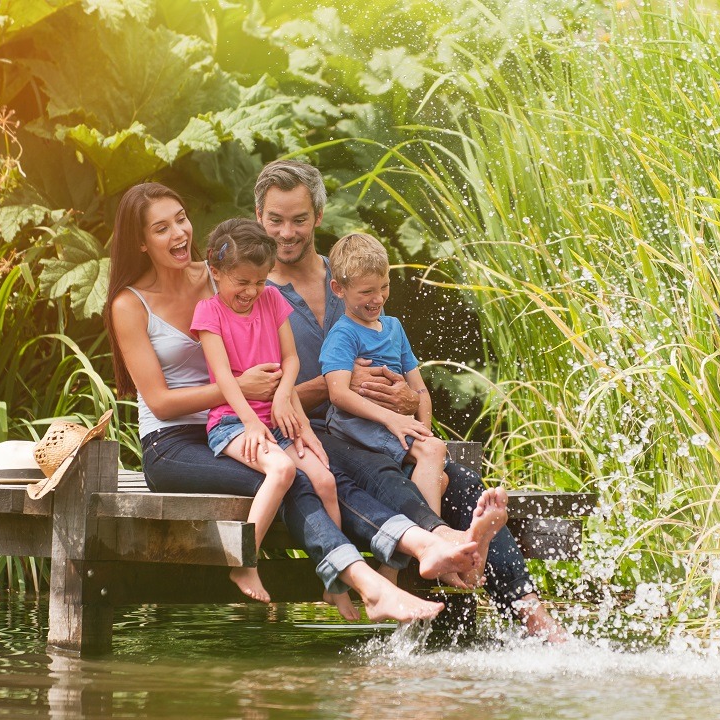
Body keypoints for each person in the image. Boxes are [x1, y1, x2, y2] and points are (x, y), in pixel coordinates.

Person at [103, 182, 483, 623]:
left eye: (182, 218)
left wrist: (286, 390)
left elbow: (271, 334)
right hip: (174, 444)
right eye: (161, 227)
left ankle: (415, 549)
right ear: (140, 241)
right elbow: (162, 402)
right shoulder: (129, 305)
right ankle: (367, 583)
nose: (179, 233)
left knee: (323, 473)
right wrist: (243, 389)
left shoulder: (221, 274)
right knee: (293, 480)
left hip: (250, 422)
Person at [254, 159, 567, 640]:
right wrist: (338, 385)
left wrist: (404, 395)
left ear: (318, 215)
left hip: (374, 426)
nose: (287, 232)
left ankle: (535, 619)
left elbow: (394, 365)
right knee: (380, 475)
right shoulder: (252, 295)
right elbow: (257, 395)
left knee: (458, 481)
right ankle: (436, 555)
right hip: (309, 435)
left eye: (298, 218)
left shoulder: (352, 275)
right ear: (259, 217)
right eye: (275, 219)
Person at [192, 218, 341, 602]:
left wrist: (280, 397)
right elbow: (224, 379)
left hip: (274, 417)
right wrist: (249, 422)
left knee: (324, 481)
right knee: (283, 468)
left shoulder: (272, 299)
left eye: (259, 281)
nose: (252, 291)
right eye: (242, 282)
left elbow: (290, 361)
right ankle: (243, 562)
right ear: (216, 272)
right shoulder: (209, 314)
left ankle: (334, 575)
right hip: (231, 422)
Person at [321, 232, 448, 517]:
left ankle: (397, 561)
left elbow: (420, 391)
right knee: (433, 452)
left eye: (384, 286)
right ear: (338, 289)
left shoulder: (394, 328)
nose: (378, 298)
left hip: (393, 425)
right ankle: (434, 540)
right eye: (366, 291)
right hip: (358, 427)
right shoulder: (343, 334)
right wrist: (394, 420)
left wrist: (423, 429)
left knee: (440, 475)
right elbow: (338, 393)